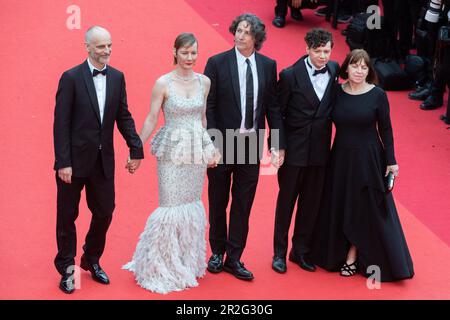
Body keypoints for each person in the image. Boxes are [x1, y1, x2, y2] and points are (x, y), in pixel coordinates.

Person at [122, 33, 219, 294]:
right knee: (170, 205)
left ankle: (185, 262)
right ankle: (158, 265)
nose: (190, 58)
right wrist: (136, 149)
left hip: (194, 154)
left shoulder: (204, 82)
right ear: (175, 52)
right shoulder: (163, 83)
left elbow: (202, 120)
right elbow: (152, 119)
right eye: (185, 52)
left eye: (194, 53)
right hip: (172, 152)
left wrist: (210, 148)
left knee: (191, 204)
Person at [53, 26, 144, 294]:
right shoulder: (70, 78)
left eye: (109, 46)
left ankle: (90, 258)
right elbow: (61, 124)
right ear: (87, 47)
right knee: (67, 215)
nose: (106, 51)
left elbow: (123, 116)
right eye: (101, 46)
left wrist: (135, 147)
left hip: (103, 161)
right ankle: (67, 267)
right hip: (73, 163)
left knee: (105, 211)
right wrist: (63, 162)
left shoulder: (117, 77)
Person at [311, 49, 414, 282]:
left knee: (364, 207)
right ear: (346, 68)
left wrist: (392, 162)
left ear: (369, 71)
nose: (359, 71)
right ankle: (338, 250)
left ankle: (353, 254)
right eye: (355, 66)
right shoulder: (336, 91)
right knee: (342, 203)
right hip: (340, 158)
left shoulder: (377, 95)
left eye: (364, 67)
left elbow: (386, 130)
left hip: (368, 159)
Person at [204, 13, 286, 281]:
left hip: (250, 142)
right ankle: (216, 252)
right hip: (223, 140)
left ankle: (234, 257)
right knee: (218, 200)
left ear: (256, 38)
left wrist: (277, 144)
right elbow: (209, 106)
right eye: (238, 30)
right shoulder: (217, 63)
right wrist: (212, 143)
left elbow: (272, 107)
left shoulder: (267, 65)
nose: (240, 36)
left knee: (243, 204)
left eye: (247, 32)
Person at [272, 28, 339, 274]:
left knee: (311, 204)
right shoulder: (289, 75)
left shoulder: (334, 70)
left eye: (327, 51)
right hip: (294, 151)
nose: (323, 56)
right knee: (286, 202)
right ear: (307, 49)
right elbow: (276, 112)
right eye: (318, 51)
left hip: (321, 151)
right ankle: (278, 253)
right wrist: (278, 145)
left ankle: (299, 251)